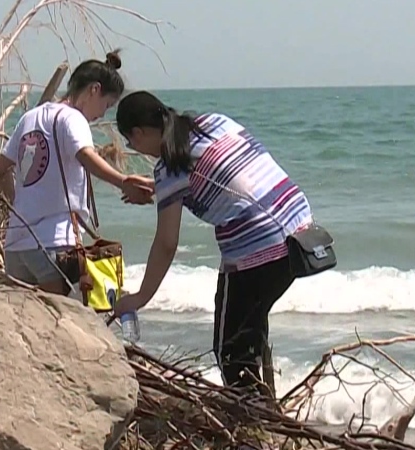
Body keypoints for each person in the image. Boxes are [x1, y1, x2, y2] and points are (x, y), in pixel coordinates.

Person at [112, 90, 313, 393]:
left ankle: (253, 427)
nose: (133, 148)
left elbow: (166, 243)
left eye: (130, 142)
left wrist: (139, 298)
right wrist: (160, 189)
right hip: (299, 228)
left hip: (258, 249)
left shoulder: (169, 168)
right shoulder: (213, 122)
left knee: (230, 352)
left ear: (139, 133)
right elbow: (228, 174)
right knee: (249, 331)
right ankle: (264, 408)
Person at [0, 51, 154, 295]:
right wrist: (124, 182)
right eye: (107, 104)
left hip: (16, 246)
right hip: (53, 243)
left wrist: (18, 204)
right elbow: (86, 156)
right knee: (58, 319)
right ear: (94, 90)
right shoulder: (73, 118)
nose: (103, 113)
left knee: (26, 318)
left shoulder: (29, 118)